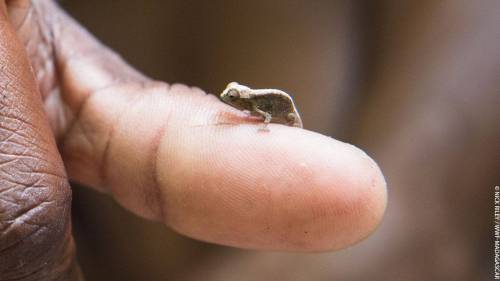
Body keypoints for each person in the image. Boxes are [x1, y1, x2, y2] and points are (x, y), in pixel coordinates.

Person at [0, 1, 387, 280]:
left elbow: (271, 111)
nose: (229, 102)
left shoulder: (254, 106)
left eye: (233, 98)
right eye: (232, 98)